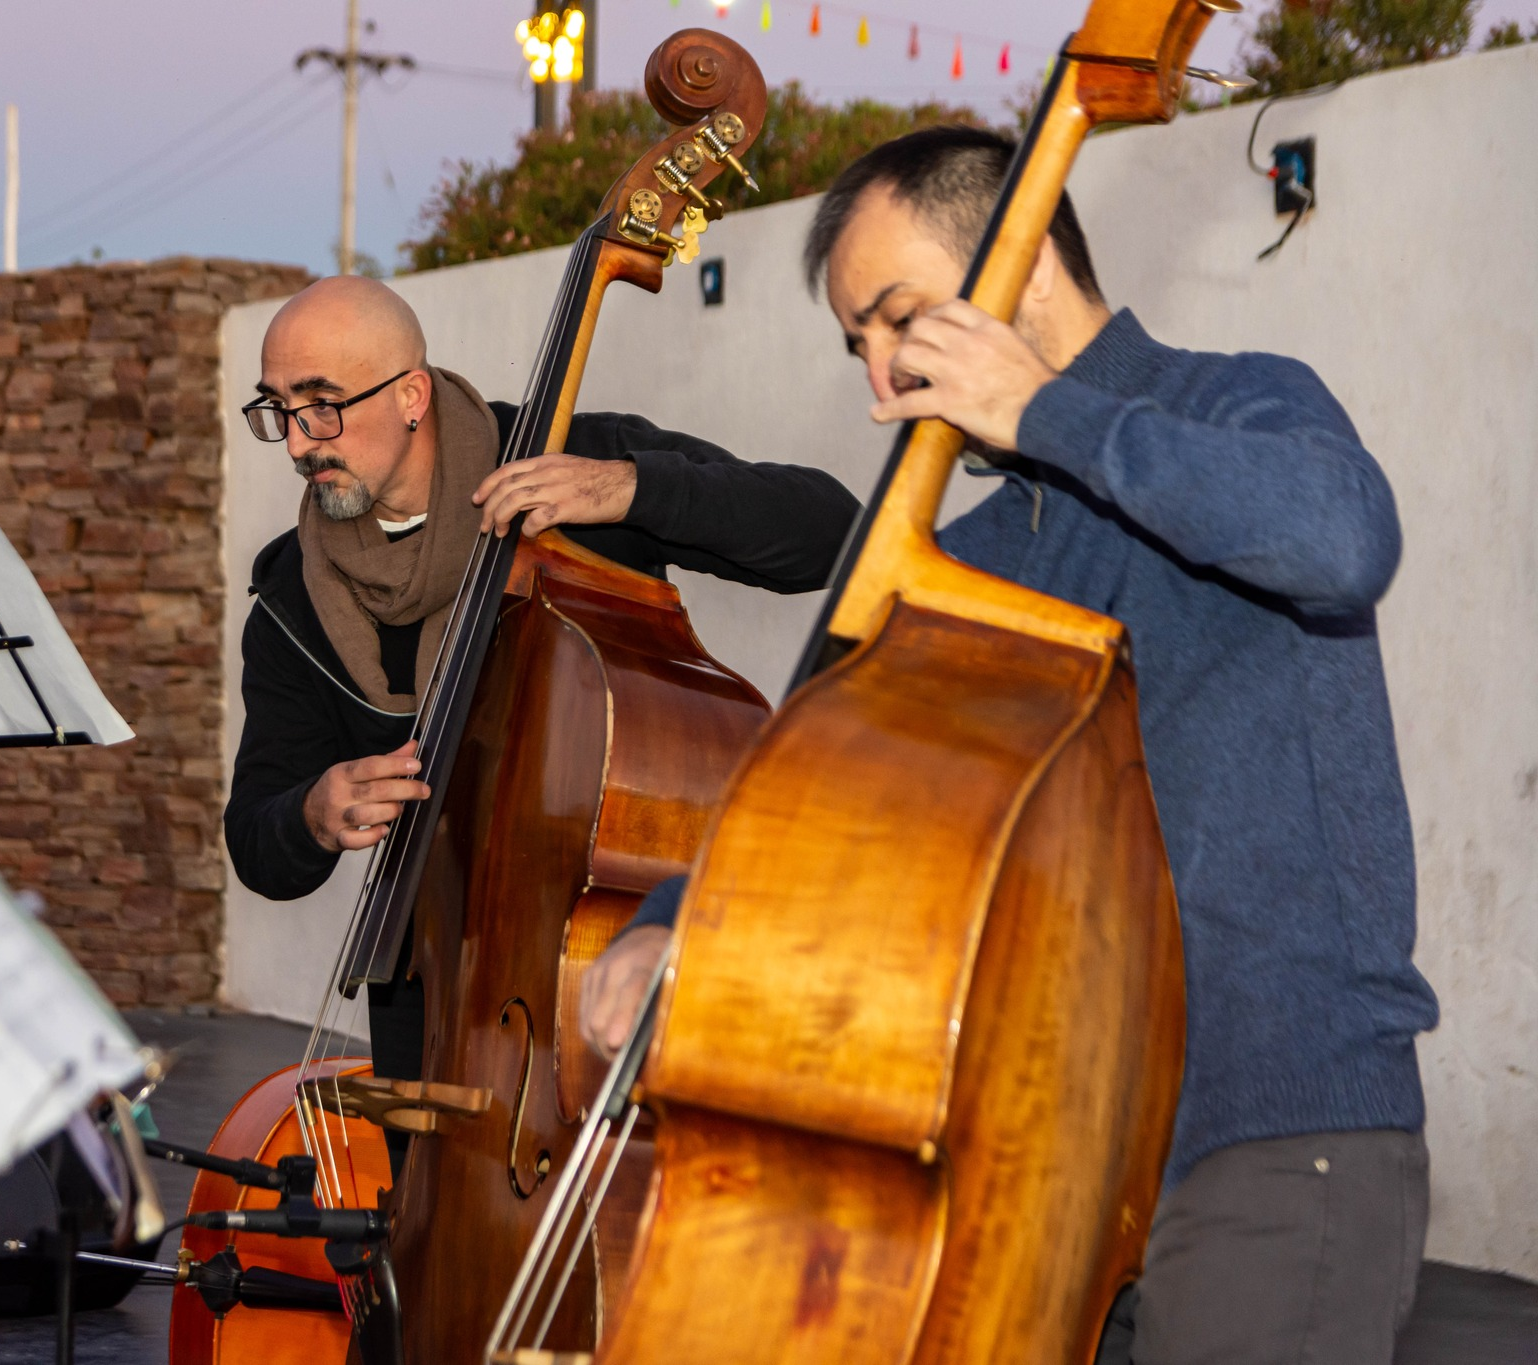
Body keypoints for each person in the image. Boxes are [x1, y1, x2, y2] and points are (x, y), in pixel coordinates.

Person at [580, 126, 1439, 1365]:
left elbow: (1340, 540)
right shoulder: (962, 562)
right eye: (858, 347)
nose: (882, 385)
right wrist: (671, 923)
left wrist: (1042, 411)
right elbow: (830, 800)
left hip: (1272, 1142)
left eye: (899, 320)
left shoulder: (1237, 406)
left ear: (1023, 261)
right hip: (1044, 1168)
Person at [225, 274, 858, 1090]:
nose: (297, 444)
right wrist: (312, 812)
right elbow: (257, 840)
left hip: (615, 982)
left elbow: (834, 534)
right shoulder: (292, 596)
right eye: (278, 409)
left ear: (412, 395)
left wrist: (631, 488)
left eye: (322, 405)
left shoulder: (571, 460)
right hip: (432, 1011)